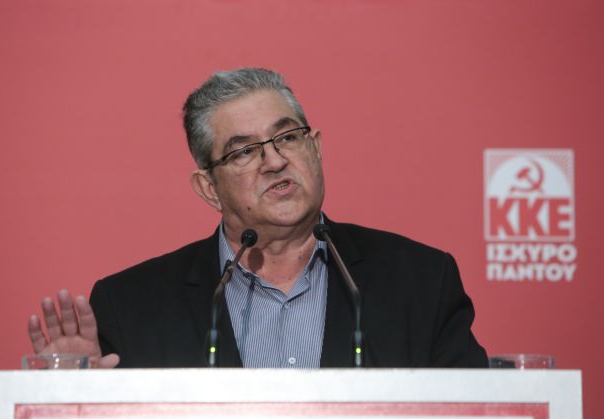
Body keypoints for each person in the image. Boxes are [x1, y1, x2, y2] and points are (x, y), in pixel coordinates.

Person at [28, 68, 488, 369]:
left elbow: (477, 414)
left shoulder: (422, 282)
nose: (275, 161)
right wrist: (71, 402)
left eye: (287, 137)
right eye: (244, 151)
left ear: (315, 148)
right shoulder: (130, 307)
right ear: (209, 188)